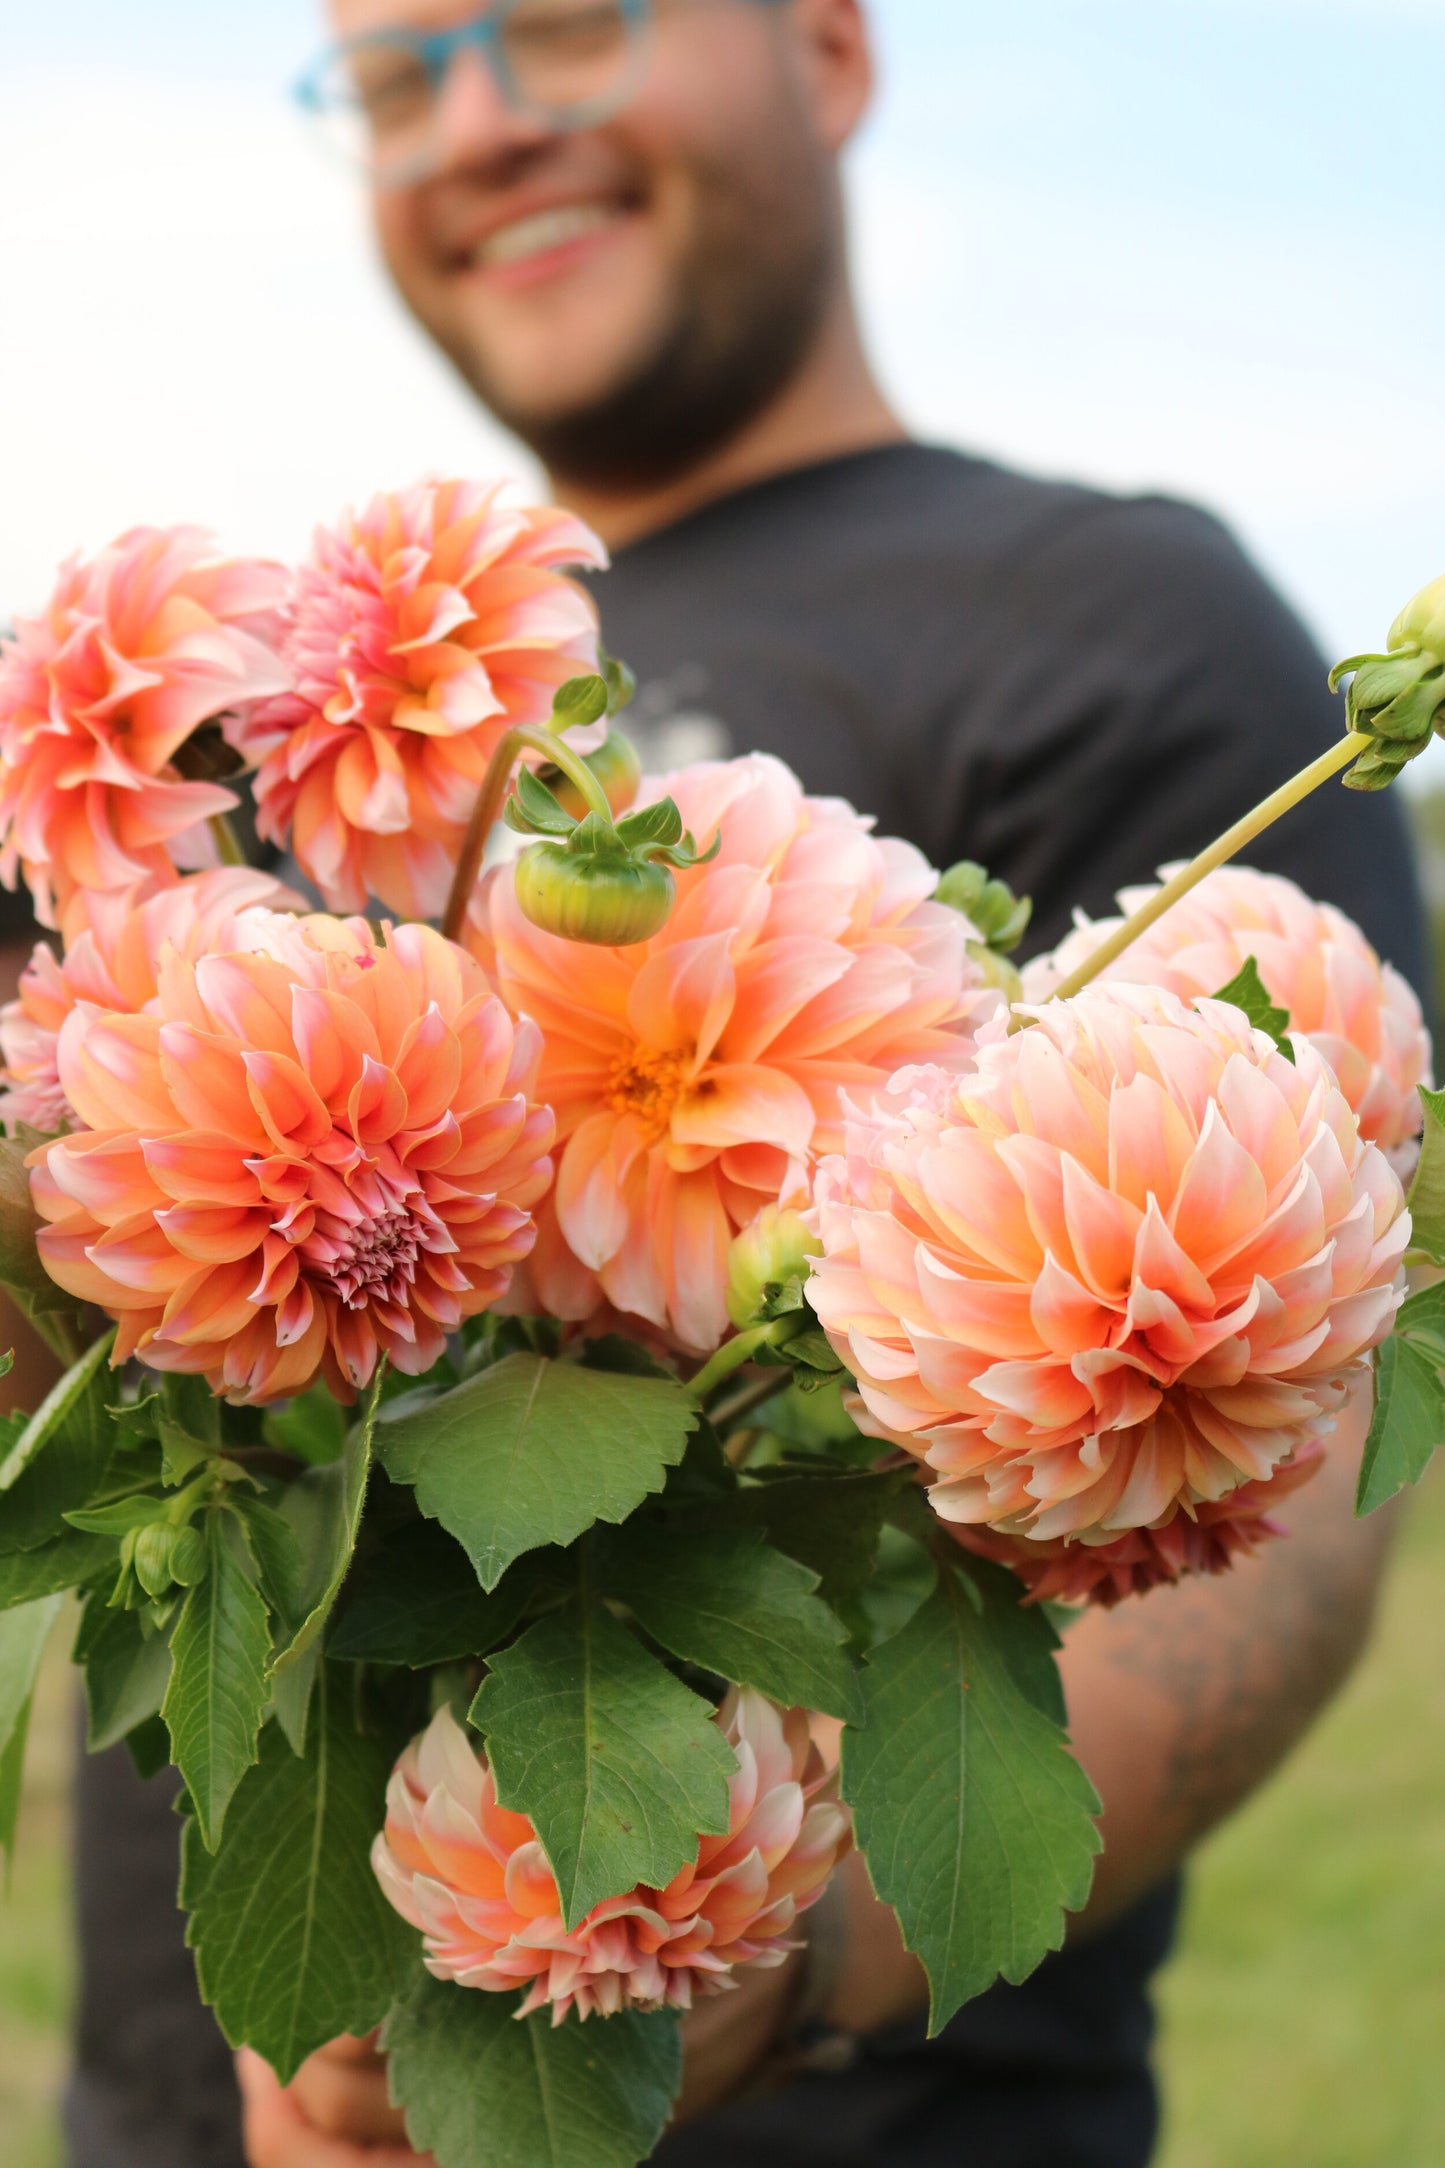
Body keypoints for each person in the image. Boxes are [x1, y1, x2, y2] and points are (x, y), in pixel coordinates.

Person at [63, 4, 1428, 2166]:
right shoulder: (277, 745)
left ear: (827, 50)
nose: (488, 126)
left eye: (572, 27)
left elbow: (1277, 1482)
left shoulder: (1117, 620)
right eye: (406, 77)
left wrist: (767, 1957)